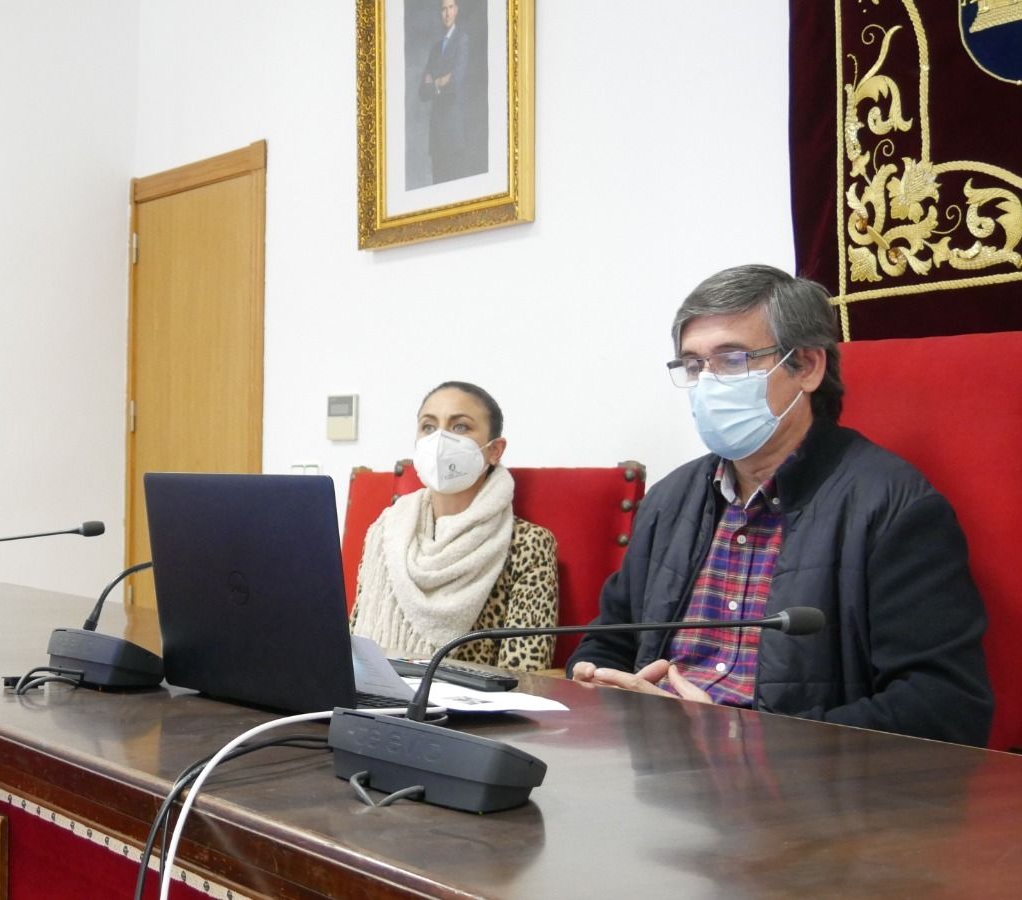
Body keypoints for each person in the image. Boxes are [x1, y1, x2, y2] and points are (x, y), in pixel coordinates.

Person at [567, 264, 993, 746]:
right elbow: (609, 639)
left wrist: (743, 739)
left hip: (803, 796)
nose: (708, 383)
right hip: (661, 776)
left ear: (807, 366)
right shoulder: (669, 500)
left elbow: (945, 706)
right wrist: (599, 678)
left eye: (732, 360)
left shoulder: (892, 506)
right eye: (693, 365)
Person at [351, 381, 558, 671]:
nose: (439, 441)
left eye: (460, 427)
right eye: (428, 427)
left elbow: (526, 674)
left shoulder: (528, 544)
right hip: (372, 698)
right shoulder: (385, 533)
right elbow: (353, 646)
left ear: (495, 450)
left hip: (472, 713)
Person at [418, 0, 472, 184]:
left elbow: (456, 81)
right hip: (437, 135)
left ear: (456, 10)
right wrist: (442, 80)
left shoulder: (462, 40)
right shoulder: (434, 50)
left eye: (450, 8)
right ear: (440, 13)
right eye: (443, 9)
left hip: (454, 132)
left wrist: (435, 82)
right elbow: (422, 92)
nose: (447, 13)